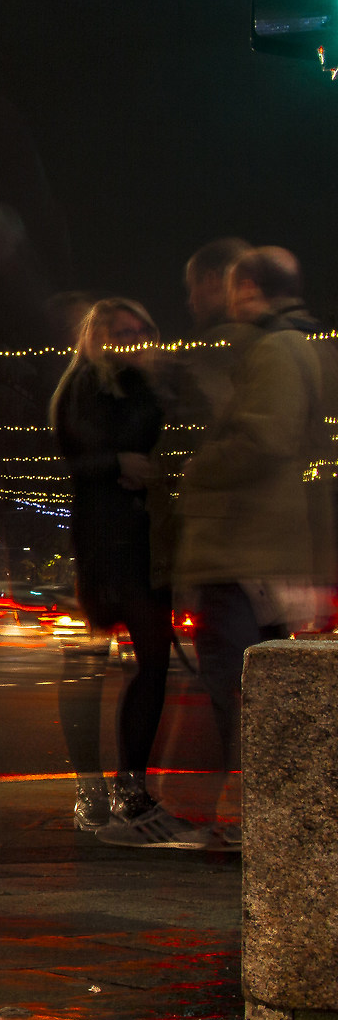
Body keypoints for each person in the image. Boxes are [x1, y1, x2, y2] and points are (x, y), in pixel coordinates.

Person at [51, 298, 204, 847]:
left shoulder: (146, 386)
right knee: (96, 664)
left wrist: (150, 468)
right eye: (121, 331)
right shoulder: (85, 386)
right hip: (103, 541)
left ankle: (121, 789)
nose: (134, 339)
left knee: (148, 663)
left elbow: (168, 447)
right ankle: (100, 790)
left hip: (141, 539)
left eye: (142, 329)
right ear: (97, 336)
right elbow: (74, 455)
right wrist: (119, 463)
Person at [175, 244, 329, 784]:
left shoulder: (276, 349)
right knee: (256, 690)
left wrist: (196, 470)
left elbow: (264, 439)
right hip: (261, 550)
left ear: (246, 288)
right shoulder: (296, 344)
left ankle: (249, 808)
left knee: (239, 689)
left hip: (241, 550)